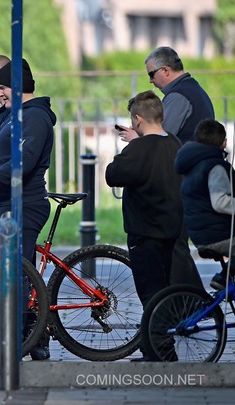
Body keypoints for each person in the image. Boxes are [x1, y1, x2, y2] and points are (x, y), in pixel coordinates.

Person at [0, 58, 56, 361]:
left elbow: (21, 163)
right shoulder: (11, 115)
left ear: (17, 87)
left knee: (14, 275)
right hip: (3, 201)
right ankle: (22, 340)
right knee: (11, 273)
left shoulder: (33, 118)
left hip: (22, 205)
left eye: (3, 87)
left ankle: (15, 343)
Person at [118, 46, 214, 288]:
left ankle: (183, 308)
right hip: (193, 178)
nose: (150, 81)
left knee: (175, 250)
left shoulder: (178, 96)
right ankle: (186, 307)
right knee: (177, 251)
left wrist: (137, 138)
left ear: (166, 70)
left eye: (151, 74)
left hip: (181, 183)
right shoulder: (193, 90)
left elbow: (159, 137)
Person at [106, 90, 182, 362]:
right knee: (164, 287)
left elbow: (113, 175)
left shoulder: (138, 148)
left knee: (150, 291)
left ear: (137, 119)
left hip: (144, 230)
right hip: (172, 229)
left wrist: (130, 147)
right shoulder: (174, 143)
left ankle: (160, 349)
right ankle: (156, 344)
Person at [175, 119, 235, 290]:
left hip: (201, 232)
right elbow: (220, 202)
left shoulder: (192, 164)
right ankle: (224, 277)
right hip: (218, 235)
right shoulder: (215, 166)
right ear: (224, 143)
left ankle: (227, 277)